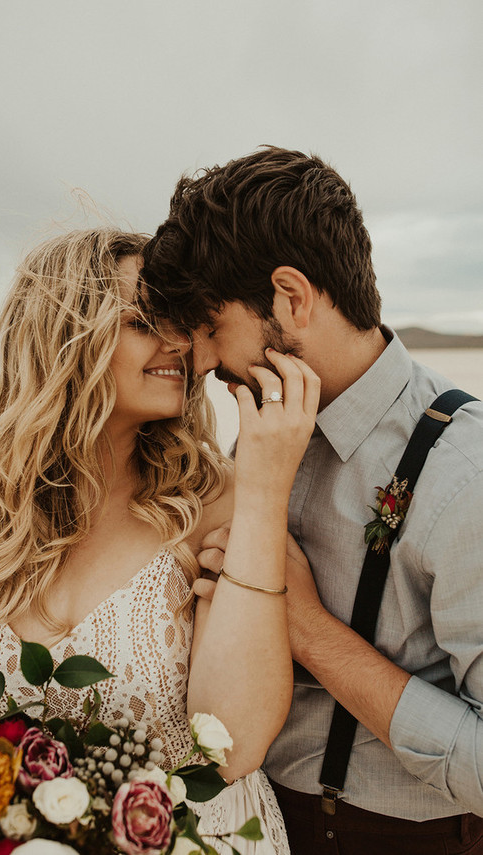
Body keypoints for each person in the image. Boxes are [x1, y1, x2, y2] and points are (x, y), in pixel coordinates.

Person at [0, 228, 320, 854]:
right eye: (141, 321)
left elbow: (233, 744)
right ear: (62, 340)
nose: (179, 342)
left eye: (180, 321)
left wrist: (267, 485)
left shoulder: (218, 502)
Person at [141, 147, 483, 854]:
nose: (203, 363)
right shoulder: (264, 431)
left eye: (212, 328)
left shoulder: (465, 474)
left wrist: (307, 629)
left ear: (292, 298)